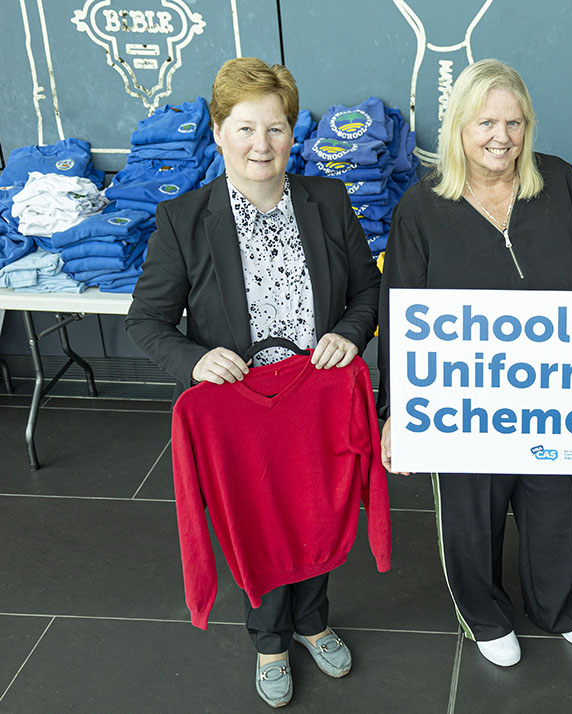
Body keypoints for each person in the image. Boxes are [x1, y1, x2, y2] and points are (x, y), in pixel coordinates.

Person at [377, 58, 572, 668]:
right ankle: (484, 617)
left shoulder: (558, 183)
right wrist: (396, 414)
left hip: (559, 394)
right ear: (458, 125)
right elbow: (400, 323)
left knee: (561, 503)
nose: (500, 137)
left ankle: (558, 606)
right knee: (469, 514)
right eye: (486, 122)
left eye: (513, 122)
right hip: (465, 402)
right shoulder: (420, 210)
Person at [124, 57, 381, 708]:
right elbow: (147, 321)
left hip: (314, 397)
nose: (260, 144)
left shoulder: (327, 201)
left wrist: (350, 334)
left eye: (274, 129)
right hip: (240, 409)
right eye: (244, 128)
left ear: (293, 134)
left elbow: (367, 291)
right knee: (257, 523)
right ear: (217, 131)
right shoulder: (184, 219)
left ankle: (315, 620)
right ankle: (271, 640)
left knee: (320, 511)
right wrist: (194, 361)